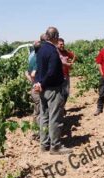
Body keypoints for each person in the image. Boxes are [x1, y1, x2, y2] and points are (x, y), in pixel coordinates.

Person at [34, 26, 71, 155]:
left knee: (44, 116)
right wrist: (43, 84)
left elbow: (39, 69)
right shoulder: (52, 51)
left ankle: (44, 145)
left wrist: (38, 83)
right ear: (55, 36)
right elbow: (51, 72)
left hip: (43, 90)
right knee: (54, 117)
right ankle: (55, 146)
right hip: (52, 89)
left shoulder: (41, 49)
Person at [25, 40, 41, 140]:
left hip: (33, 89)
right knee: (40, 112)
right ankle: (39, 134)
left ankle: (35, 133)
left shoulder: (32, 57)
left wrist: (32, 83)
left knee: (36, 112)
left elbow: (26, 72)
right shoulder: (38, 59)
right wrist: (36, 83)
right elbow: (33, 74)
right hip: (37, 91)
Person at [57, 38, 76, 109]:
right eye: (60, 44)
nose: (62, 45)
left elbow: (74, 56)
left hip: (66, 75)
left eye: (63, 44)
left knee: (66, 93)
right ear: (57, 44)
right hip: (58, 76)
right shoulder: (55, 52)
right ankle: (60, 109)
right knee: (59, 93)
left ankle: (62, 107)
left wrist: (71, 63)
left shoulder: (65, 52)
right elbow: (58, 61)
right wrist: (66, 64)